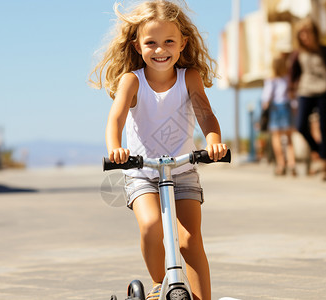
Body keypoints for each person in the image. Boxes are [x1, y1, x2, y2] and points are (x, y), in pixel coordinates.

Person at [90, 1, 228, 299]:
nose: (160, 49)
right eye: (151, 42)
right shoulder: (132, 81)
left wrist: (213, 140)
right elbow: (116, 119)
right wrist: (116, 149)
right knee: (152, 225)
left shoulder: (188, 77)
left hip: (183, 171)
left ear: (182, 44)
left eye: (168, 41)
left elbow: (205, 115)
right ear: (137, 46)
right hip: (142, 172)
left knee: (189, 240)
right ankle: (157, 284)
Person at [288, 17, 326, 181]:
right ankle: (322, 153)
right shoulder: (298, 54)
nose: (304, 37)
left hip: (324, 90)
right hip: (305, 91)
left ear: (314, 33)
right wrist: (291, 92)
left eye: (307, 32)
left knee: (324, 127)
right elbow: (293, 76)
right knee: (300, 126)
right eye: (301, 34)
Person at [261, 55, 297, 176]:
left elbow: (267, 97)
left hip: (276, 108)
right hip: (286, 107)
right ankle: (292, 163)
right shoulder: (287, 78)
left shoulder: (271, 79)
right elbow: (292, 95)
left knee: (276, 137)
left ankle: (281, 164)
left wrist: (264, 107)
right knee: (289, 139)